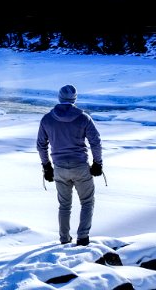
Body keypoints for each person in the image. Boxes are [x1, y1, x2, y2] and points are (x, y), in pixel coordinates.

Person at [36, 84, 103, 246]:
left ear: (59, 98)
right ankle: (83, 237)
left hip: (59, 168)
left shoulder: (47, 119)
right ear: (75, 99)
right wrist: (97, 163)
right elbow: (96, 142)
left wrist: (47, 166)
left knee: (64, 206)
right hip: (80, 166)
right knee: (87, 202)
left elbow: (41, 145)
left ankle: (64, 239)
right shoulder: (83, 118)